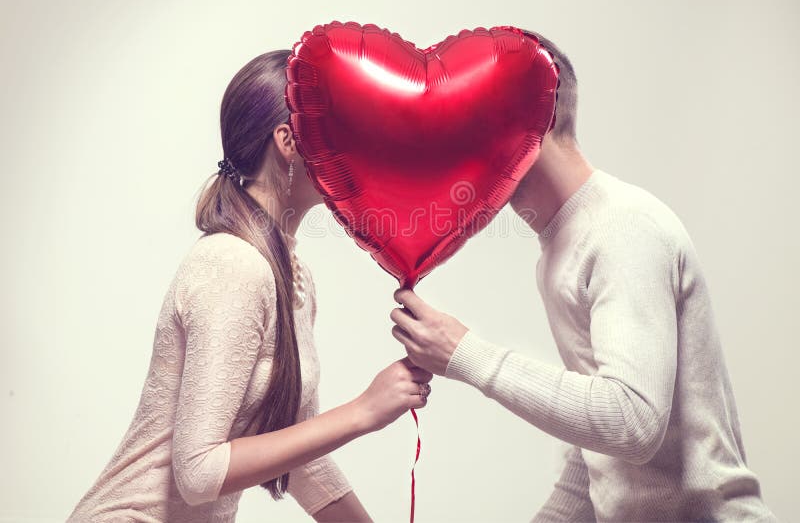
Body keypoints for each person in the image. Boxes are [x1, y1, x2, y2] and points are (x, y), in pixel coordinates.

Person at [389, 31, 777, 522]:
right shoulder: (558, 249)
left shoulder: (622, 228)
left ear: (541, 116)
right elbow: (594, 461)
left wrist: (465, 353)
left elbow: (631, 422)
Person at [68, 50, 433, 523]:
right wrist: (364, 411)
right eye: (335, 131)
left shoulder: (292, 276)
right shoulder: (233, 265)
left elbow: (302, 460)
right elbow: (198, 473)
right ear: (287, 141)